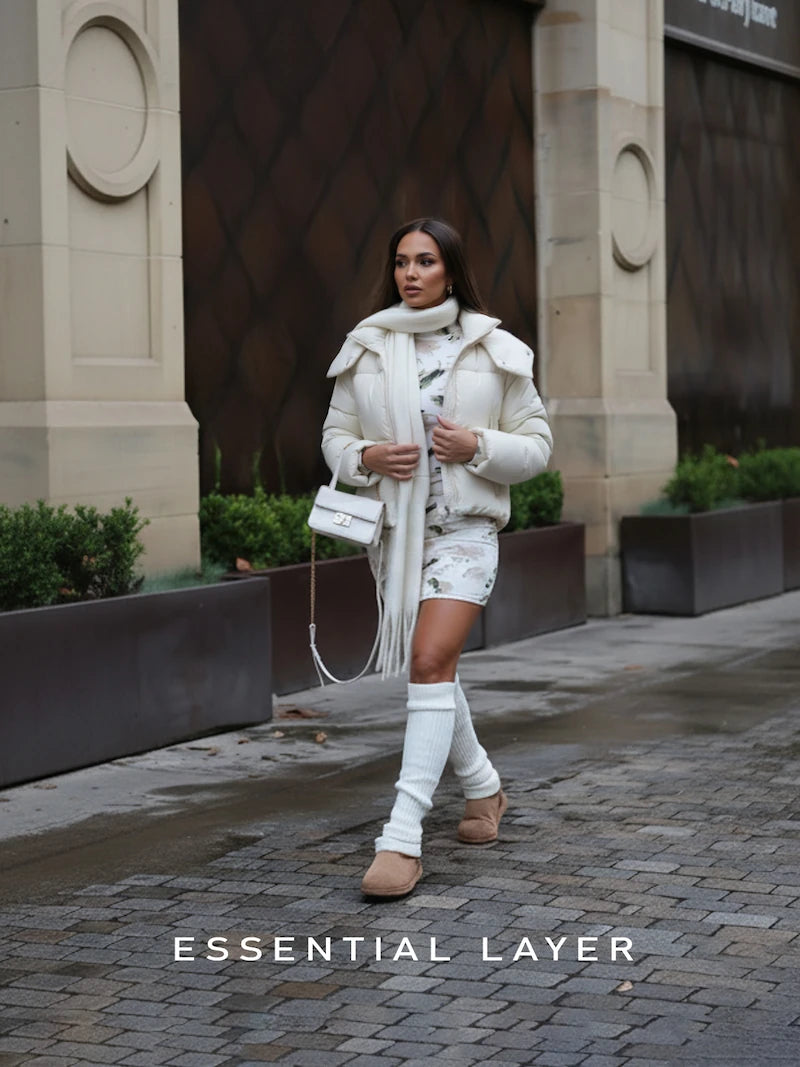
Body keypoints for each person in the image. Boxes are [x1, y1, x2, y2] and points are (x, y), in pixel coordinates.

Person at [321, 217, 553, 899]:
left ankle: (402, 835)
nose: (411, 273)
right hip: (394, 541)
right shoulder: (366, 347)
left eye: (425, 261)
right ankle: (484, 788)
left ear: (450, 270)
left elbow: (537, 446)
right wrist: (365, 457)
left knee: (426, 660)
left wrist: (476, 446)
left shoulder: (493, 349)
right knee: (437, 668)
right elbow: (334, 436)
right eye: (401, 262)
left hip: (465, 533)